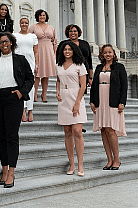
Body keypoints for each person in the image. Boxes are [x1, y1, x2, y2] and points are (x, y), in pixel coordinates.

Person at [0, 32, 34, 189]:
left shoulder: (20, 60)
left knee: (12, 136)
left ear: (11, 43)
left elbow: (30, 78)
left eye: (6, 41)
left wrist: (22, 92)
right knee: (2, 137)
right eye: (0, 42)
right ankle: (4, 170)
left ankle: (11, 172)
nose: (4, 44)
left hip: (14, 98)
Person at [89, 44, 127, 171]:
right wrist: (92, 101)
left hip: (113, 101)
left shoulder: (119, 67)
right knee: (103, 130)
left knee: (111, 130)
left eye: (109, 52)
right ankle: (109, 159)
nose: (107, 55)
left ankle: (117, 159)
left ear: (113, 53)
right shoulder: (99, 67)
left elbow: (124, 86)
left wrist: (122, 102)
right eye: (105, 53)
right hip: (100, 100)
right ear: (102, 55)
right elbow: (94, 85)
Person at [56, 41, 88, 176]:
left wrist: (77, 103)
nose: (67, 51)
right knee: (67, 132)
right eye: (65, 49)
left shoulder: (79, 65)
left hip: (76, 97)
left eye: (69, 49)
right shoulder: (58, 65)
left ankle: (80, 165)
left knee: (77, 131)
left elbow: (83, 86)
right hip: (63, 98)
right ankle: (72, 164)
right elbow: (58, 79)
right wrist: (57, 91)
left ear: (74, 50)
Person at [27, 9, 57, 102]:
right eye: (40, 15)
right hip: (38, 50)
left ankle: (44, 94)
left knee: (46, 74)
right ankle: (34, 94)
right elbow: (28, 39)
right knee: (37, 74)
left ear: (46, 16)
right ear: (37, 17)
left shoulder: (51, 28)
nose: (42, 17)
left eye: (43, 15)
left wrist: (54, 53)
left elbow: (55, 41)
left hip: (48, 51)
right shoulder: (33, 27)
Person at [14, 17, 38, 122]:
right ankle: (22, 109)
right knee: (20, 85)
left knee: (31, 87)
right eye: (22, 23)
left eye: (26, 23)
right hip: (19, 62)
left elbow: (36, 51)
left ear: (28, 24)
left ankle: (30, 110)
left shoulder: (33, 36)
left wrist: (37, 64)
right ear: (19, 24)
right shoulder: (15, 35)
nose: (24, 24)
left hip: (30, 62)